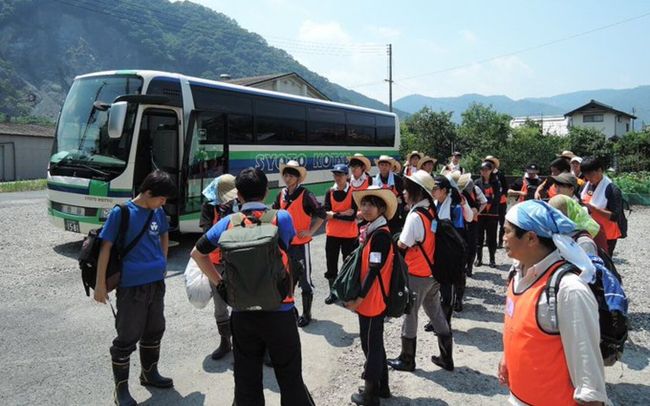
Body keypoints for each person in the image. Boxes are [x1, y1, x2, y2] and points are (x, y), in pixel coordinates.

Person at [191, 168, 315, 406]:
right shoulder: (282, 218)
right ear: (266, 192)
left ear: (238, 195)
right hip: (280, 311)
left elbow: (197, 253)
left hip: (243, 314)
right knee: (290, 377)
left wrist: (220, 283)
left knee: (247, 382)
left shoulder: (228, 223)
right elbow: (286, 246)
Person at [498, 200, 607, 406]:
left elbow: (588, 374)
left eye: (507, 231)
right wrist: (507, 357)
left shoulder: (569, 290)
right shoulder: (517, 274)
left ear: (531, 238)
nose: (503, 238)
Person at [94, 170, 176, 406]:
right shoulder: (122, 213)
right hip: (132, 286)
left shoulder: (157, 211)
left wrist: (163, 260)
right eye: (161, 198)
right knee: (128, 336)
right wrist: (100, 284)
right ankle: (121, 391)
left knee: (155, 328)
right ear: (148, 193)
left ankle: (149, 373)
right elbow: (105, 248)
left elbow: (163, 235)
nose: (163, 203)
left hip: (156, 283)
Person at [387, 171, 454, 373]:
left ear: (417, 192)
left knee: (410, 314)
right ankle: (446, 357)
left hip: (416, 274)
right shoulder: (431, 211)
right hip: (432, 273)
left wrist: (396, 238)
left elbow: (403, 243)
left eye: (408, 189)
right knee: (435, 312)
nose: (404, 193)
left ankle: (407, 360)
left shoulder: (415, 216)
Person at [344, 186, 397, 405]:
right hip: (371, 299)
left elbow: (374, 271)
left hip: (372, 300)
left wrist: (359, 299)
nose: (365, 208)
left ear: (382, 209)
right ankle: (381, 387)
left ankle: (370, 395)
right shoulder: (372, 230)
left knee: (371, 346)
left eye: (371, 205)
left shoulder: (380, 237)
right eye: (363, 204)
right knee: (374, 343)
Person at [273, 160, 326, 327]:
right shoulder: (281, 194)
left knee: (304, 279)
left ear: (298, 178)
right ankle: (291, 310)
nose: (287, 178)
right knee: (286, 278)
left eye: (291, 176)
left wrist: (310, 231)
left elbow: (322, 214)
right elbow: (274, 214)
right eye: (286, 175)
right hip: (284, 244)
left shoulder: (306, 194)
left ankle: (307, 313)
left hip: (301, 244)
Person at [198, 174, 239, 361]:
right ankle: (225, 341)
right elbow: (207, 233)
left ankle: (244, 342)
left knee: (243, 302)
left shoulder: (240, 205)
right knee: (220, 305)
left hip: (238, 262)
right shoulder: (208, 207)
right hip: (215, 264)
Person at [323, 163, 358, 305]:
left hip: (349, 235)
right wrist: (342, 213)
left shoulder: (354, 192)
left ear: (346, 176)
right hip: (332, 234)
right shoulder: (329, 191)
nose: (337, 177)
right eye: (335, 175)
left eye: (340, 175)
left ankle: (345, 291)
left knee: (348, 264)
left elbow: (352, 216)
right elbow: (325, 213)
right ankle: (333, 292)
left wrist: (334, 215)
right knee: (331, 264)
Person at [580, 156, 626, 256]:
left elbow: (614, 216)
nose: (588, 178)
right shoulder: (585, 186)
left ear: (600, 170)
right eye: (585, 175)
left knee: (604, 261)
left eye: (590, 174)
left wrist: (594, 209)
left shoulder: (612, 189)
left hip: (607, 234)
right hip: (589, 231)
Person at [457, 172, 487, 278]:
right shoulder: (458, 190)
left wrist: (477, 211)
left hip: (472, 221)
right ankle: (462, 266)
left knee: (472, 244)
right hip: (461, 221)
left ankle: (469, 266)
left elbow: (484, 201)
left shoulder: (475, 189)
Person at [475, 161, 501, 268]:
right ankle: (479, 259)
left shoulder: (496, 183)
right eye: (482, 170)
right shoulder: (476, 183)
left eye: (487, 170)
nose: (484, 172)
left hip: (492, 214)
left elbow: (498, 198)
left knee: (491, 238)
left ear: (491, 170)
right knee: (478, 237)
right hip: (480, 214)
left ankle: (492, 259)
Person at [373, 155, 405, 233]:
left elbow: (403, 196)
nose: (384, 167)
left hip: (394, 212)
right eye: (382, 165)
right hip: (378, 212)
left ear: (390, 166)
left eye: (386, 165)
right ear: (378, 166)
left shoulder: (397, 179)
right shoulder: (373, 179)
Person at [485, 155, 508, 248]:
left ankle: (500, 241)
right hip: (489, 202)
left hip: (501, 201)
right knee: (487, 220)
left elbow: (505, 187)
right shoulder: (485, 174)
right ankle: (488, 240)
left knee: (501, 221)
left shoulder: (500, 174)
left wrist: (499, 196)